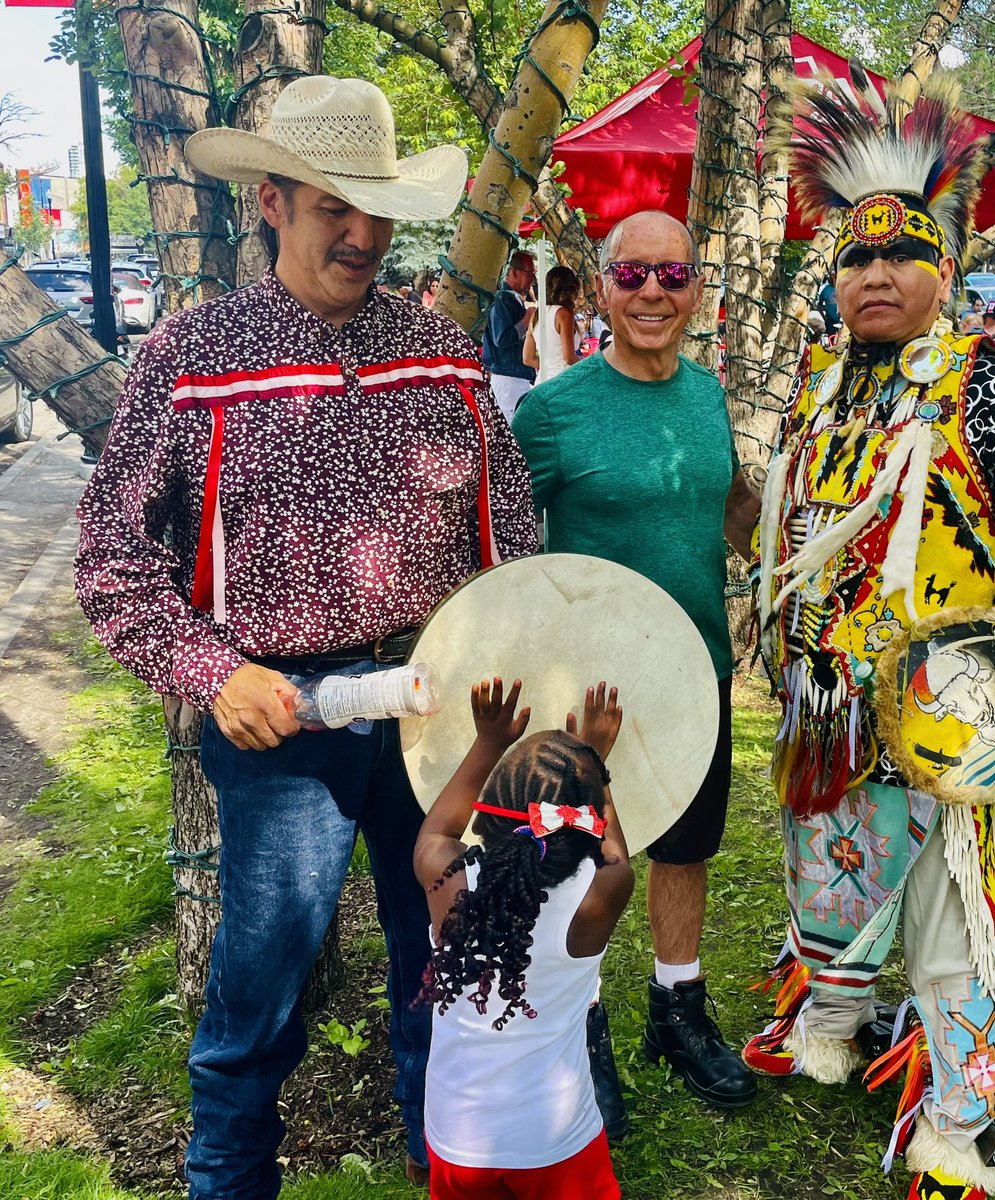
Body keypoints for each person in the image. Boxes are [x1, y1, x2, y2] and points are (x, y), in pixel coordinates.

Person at [73, 76, 539, 1198]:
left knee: (453, 967)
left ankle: (458, 1175)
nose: (363, 232)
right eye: (334, 205)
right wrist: (210, 672)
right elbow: (110, 556)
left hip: (439, 708)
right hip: (280, 717)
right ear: (271, 201)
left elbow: (511, 531)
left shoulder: (438, 354)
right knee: (261, 986)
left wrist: (511, 666)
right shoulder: (193, 358)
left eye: (376, 207)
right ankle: (227, 1183)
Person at [744, 76, 995, 1200]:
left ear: (942, 273)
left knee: (950, 924)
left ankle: (959, 1117)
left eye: (901, 259)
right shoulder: (823, 382)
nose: (877, 276)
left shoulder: (980, 382)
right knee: (829, 884)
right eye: (855, 260)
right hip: (829, 706)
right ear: (836, 279)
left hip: (947, 714)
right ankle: (833, 1030)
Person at [512, 210, 762, 1127]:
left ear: (697, 287)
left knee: (684, 849)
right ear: (603, 285)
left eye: (671, 274)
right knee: (576, 863)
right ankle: (580, 1032)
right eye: (631, 276)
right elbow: (501, 548)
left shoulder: (707, 398)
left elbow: (727, 508)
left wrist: (786, 542)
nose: (652, 292)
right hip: (588, 696)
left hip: (696, 669)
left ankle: (676, 1010)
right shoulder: (553, 412)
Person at [414, 677, 633, 1199]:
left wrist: (489, 741)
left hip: (455, 1137)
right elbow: (616, 855)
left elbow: (437, 833)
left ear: (487, 810)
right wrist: (593, 762)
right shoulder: (597, 897)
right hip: (554, 1142)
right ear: (584, 821)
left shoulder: (450, 881)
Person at [482, 250, 538, 423]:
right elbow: (502, 338)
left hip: (515, 375)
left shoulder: (512, 300)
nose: (532, 279)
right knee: (512, 426)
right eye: (530, 273)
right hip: (508, 378)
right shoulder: (501, 301)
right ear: (514, 272)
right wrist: (526, 320)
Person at [522, 264, 582, 382]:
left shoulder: (537, 314)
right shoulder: (564, 314)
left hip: (542, 382)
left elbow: (527, 359)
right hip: (563, 382)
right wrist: (588, 362)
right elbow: (568, 358)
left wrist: (549, 366)